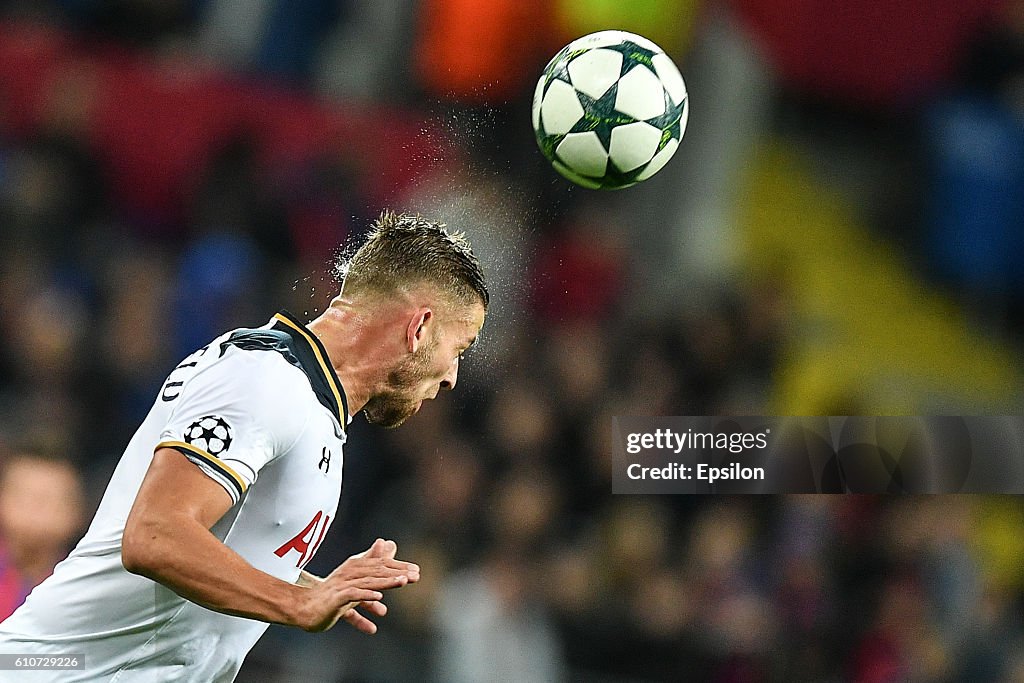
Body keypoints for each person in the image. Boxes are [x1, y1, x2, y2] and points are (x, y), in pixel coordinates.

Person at [0, 211, 489, 682]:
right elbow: (154, 535)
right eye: (458, 349)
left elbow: (209, 547)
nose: (451, 377)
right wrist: (299, 604)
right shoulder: (265, 381)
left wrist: (315, 587)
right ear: (419, 327)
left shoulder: (307, 403)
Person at [0, 452, 85, 620]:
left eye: (49, 500)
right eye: (26, 497)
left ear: (78, 512)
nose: (35, 511)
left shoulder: (82, 589)